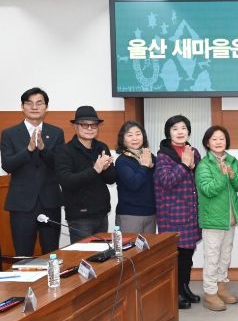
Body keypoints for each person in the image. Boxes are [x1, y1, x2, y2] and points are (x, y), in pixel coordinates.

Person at [1, 87, 64, 256]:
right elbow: (7, 165)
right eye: (29, 103)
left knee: (51, 253)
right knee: (23, 255)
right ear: (22, 107)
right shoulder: (9, 134)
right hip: (21, 204)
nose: (34, 107)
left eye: (39, 103)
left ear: (46, 107)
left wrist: (43, 149)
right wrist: (28, 149)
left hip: (50, 202)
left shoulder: (56, 133)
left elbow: (58, 164)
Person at [196, 126, 238, 312]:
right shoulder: (204, 165)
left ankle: (221, 287)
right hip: (213, 220)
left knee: (225, 256)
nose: (219, 142)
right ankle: (210, 293)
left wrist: (232, 176)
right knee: (212, 257)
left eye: (222, 139)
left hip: (230, 219)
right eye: (214, 139)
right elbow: (207, 189)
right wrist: (223, 177)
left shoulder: (232, 160)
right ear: (207, 143)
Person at [154, 115, 202, 310]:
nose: (180, 132)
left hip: (191, 212)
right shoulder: (163, 155)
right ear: (169, 133)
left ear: (188, 131)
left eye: (183, 128)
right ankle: (175, 293)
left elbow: (198, 178)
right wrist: (183, 164)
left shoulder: (194, 152)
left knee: (187, 256)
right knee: (176, 256)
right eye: (175, 129)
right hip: (172, 214)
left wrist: (192, 165)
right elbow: (166, 181)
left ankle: (184, 287)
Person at [55, 106, 117, 243]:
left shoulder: (102, 147)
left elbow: (111, 179)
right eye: (84, 125)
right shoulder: (64, 151)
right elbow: (66, 181)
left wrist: (106, 168)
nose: (90, 128)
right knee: (84, 254)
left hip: (102, 213)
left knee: (103, 253)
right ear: (75, 126)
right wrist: (95, 170)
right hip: (79, 217)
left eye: (93, 125)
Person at [114, 121, 156, 234]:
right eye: (130, 135)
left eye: (138, 134)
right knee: (130, 246)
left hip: (151, 213)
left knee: (150, 246)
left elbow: (159, 181)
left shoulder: (150, 156)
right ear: (123, 139)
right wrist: (144, 166)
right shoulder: (122, 161)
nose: (135, 138)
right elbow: (134, 183)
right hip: (130, 214)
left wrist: (152, 166)